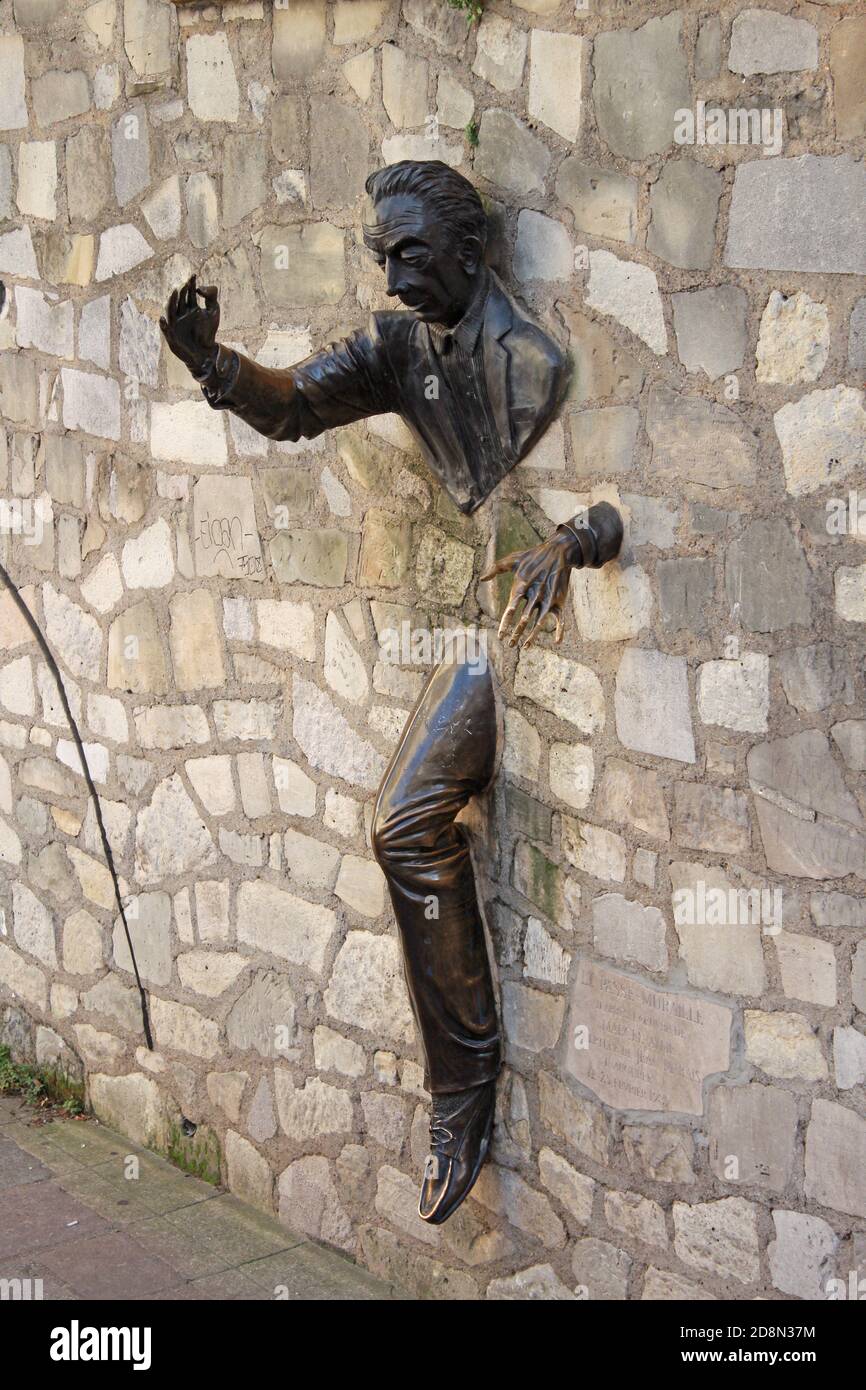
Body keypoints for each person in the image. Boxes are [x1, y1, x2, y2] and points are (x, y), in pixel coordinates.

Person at [161, 160, 622, 1225]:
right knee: (399, 822)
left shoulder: (534, 358)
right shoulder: (398, 345)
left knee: (401, 821)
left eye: (408, 251)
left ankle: (461, 1087)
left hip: (516, 633)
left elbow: (630, 501)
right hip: (477, 635)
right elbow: (294, 407)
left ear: (469, 248)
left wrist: (575, 537)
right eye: (381, 252)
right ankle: (461, 1086)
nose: (391, 270)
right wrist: (213, 364)